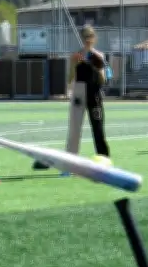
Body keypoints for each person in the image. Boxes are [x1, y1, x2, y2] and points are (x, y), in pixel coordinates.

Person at [33, 25, 112, 170]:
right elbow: (70, 78)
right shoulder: (76, 55)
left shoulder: (99, 55)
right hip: (79, 92)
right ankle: (70, 163)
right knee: (74, 130)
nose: (88, 40)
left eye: (90, 36)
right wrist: (74, 64)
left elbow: (102, 80)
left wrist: (97, 65)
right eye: (85, 37)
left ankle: (104, 161)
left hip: (94, 94)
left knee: (98, 129)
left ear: (94, 38)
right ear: (82, 38)